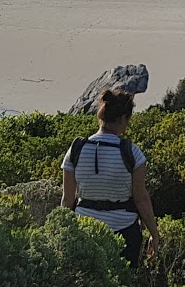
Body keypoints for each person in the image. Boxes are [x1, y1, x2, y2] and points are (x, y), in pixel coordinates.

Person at [61, 89, 160, 266]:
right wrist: (154, 233)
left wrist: (60, 231)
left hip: (84, 230)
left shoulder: (76, 148)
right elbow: (141, 199)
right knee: (124, 286)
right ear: (122, 119)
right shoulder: (132, 152)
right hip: (124, 232)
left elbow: (67, 199)